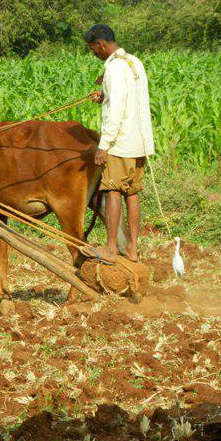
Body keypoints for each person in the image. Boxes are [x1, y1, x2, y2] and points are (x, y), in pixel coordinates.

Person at [84, 24, 154, 263]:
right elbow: (127, 97)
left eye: (94, 49)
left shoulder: (114, 68)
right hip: (139, 141)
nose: (95, 54)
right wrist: (103, 96)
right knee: (132, 193)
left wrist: (104, 145)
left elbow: (115, 111)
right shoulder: (134, 62)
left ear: (101, 45)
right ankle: (133, 248)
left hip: (120, 142)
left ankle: (112, 249)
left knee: (112, 191)